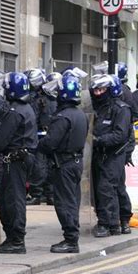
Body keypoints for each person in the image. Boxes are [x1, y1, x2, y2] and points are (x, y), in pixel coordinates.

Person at [0, 72, 38, 254]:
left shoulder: (15, 112)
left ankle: (16, 240)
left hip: (14, 161)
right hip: (21, 159)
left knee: (11, 200)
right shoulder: (27, 108)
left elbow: (0, 141)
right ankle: (14, 238)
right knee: (12, 199)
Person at [37, 70, 88, 253]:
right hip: (76, 162)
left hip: (64, 165)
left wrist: (38, 143)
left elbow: (50, 143)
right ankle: (72, 237)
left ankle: (70, 240)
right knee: (73, 200)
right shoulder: (81, 115)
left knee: (64, 202)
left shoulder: (62, 117)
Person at [90, 73, 133, 238]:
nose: (98, 93)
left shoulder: (121, 109)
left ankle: (109, 224)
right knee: (110, 189)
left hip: (114, 154)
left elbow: (120, 135)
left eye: (101, 89)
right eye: (96, 90)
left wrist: (98, 140)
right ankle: (116, 222)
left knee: (107, 189)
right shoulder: (98, 108)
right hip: (99, 155)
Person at [24, 69, 57, 206]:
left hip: (40, 136)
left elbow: (34, 118)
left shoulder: (38, 99)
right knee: (49, 165)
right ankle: (49, 194)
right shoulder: (50, 98)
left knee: (40, 166)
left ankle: (37, 194)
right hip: (49, 135)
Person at [109, 75, 134, 234]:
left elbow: (127, 134)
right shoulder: (105, 107)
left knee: (118, 187)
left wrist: (127, 153)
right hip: (107, 154)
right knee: (110, 189)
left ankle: (124, 219)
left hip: (118, 153)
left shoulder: (122, 108)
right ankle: (113, 220)